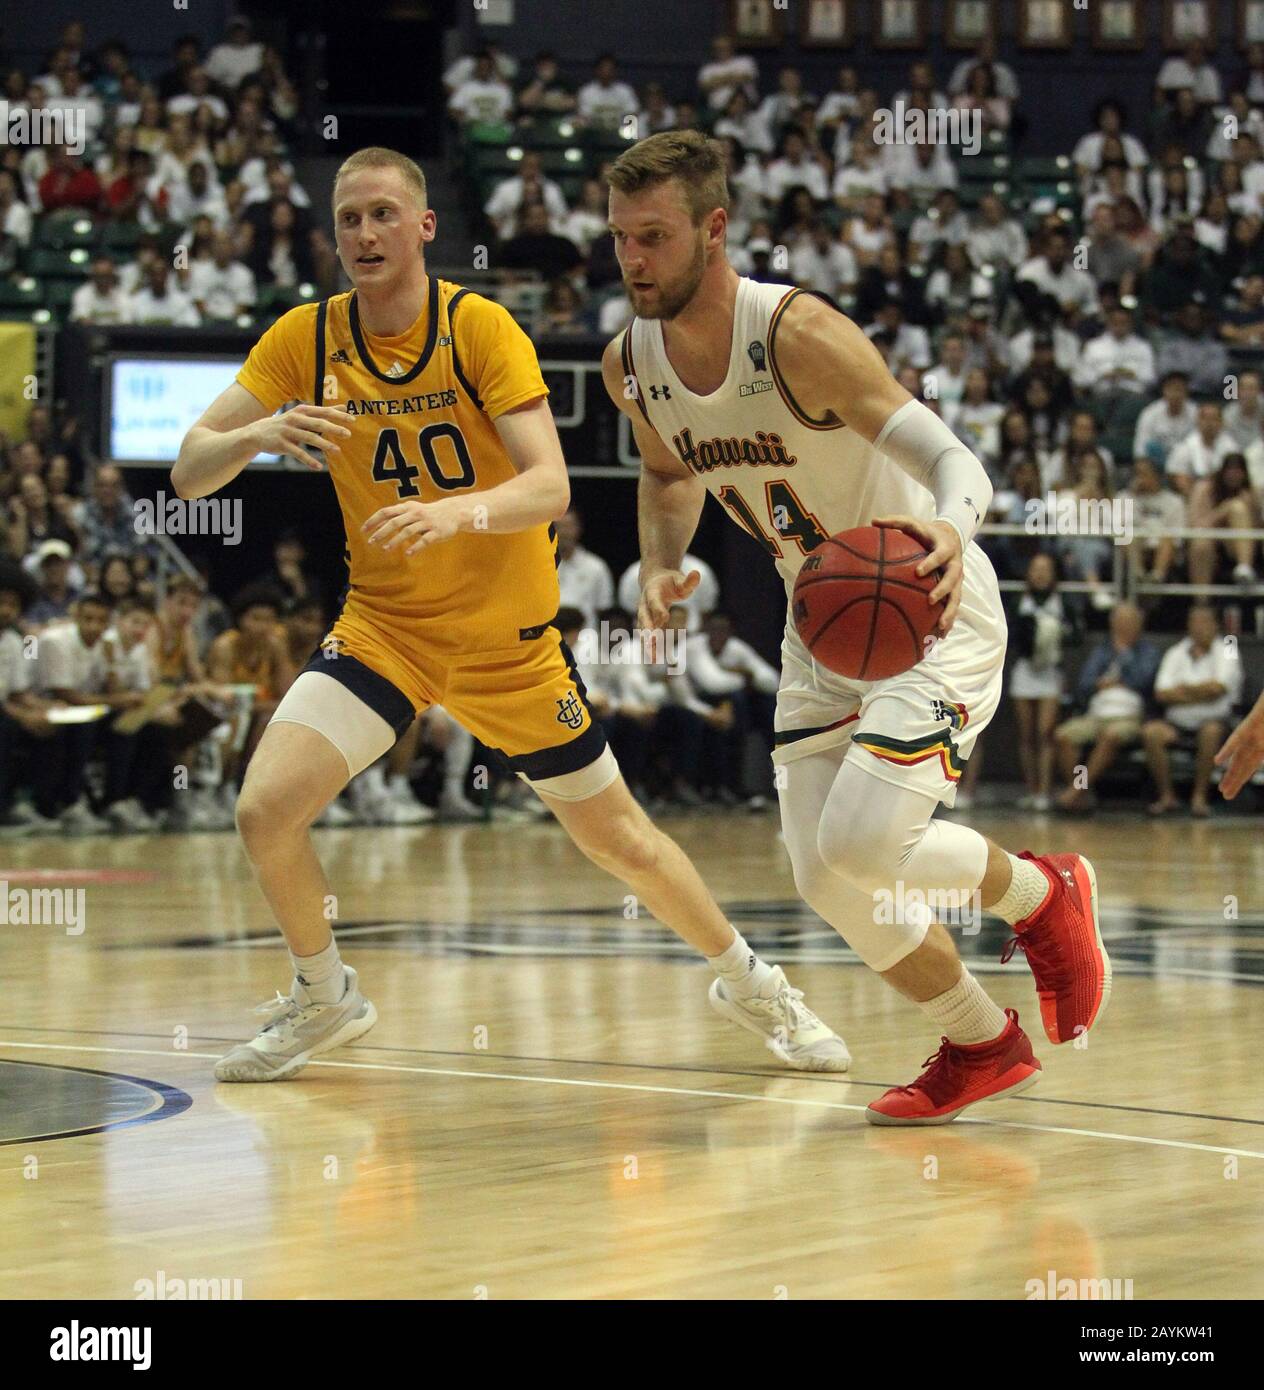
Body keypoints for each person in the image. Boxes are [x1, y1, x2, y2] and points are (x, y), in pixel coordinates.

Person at [173, 144, 846, 1082]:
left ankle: (751, 982)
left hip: (510, 649)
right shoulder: (306, 340)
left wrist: (453, 513)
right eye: (348, 220)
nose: (364, 234)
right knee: (263, 810)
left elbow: (549, 486)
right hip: (385, 634)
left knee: (623, 844)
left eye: (381, 215)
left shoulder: (478, 328)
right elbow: (188, 469)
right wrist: (255, 433)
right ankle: (324, 996)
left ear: (424, 226)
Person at [603, 129, 1110, 1126]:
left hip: (921, 601)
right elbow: (665, 474)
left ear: (715, 228)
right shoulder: (634, 363)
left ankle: (1041, 894)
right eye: (619, 238)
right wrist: (661, 564)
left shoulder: (796, 336)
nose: (632, 260)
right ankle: (979, 1043)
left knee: (866, 840)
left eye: (652, 237)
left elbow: (956, 458)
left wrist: (949, 531)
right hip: (819, 624)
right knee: (822, 873)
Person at [1053, 602, 1160, 815]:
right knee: (1064, 736)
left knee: (1110, 735)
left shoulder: (1148, 651)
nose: (1123, 626)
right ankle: (1082, 792)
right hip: (1096, 713)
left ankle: (1075, 792)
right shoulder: (1102, 651)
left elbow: (1145, 681)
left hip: (1129, 716)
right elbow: (1085, 684)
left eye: (1129, 622)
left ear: (1139, 624)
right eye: (1119, 621)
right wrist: (1104, 683)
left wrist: (1124, 664)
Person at [1143, 604, 1241, 818]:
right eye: (1194, 622)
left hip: (1215, 720)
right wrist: (1201, 692)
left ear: (1216, 625)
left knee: (1210, 733)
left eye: (1205, 622)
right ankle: (1167, 796)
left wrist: (1183, 690)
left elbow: (1219, 688)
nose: (1199, 627)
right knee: (1151, 733)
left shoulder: (1228, 646)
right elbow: (1161, 693)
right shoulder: (1176, 651)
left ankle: (1200, 797)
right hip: (1176, 722)